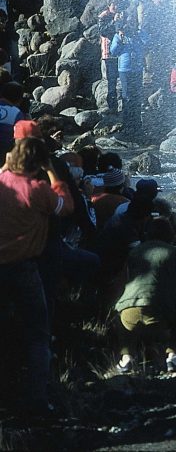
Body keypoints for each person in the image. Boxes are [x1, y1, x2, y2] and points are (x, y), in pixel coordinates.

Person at [0, 137, 74, 415]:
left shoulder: (2, 180)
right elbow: (65, 207)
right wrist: (54, 172)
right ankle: (38, 400)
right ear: (40, 164)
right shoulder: (37, 189)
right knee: (37, 335)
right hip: (23, 268)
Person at [114, 217, 176, 374]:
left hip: (127, 312)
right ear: (171, 235)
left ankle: (126, 360)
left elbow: (121, 281)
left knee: (125, 325)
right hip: (160, 311)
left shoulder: (134, 252)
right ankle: (174, 357)